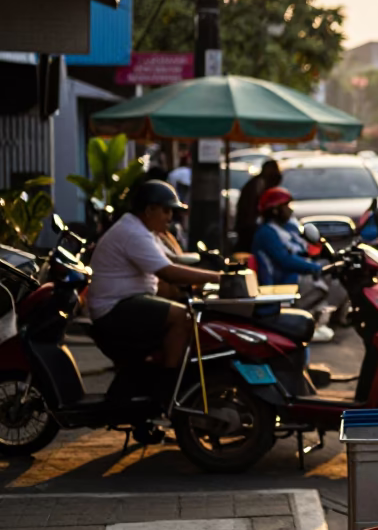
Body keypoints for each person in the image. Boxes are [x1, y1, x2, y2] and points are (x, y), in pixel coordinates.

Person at [87, 181, 222, 380]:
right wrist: (220, 278)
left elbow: (173, 259)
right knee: (182, 317)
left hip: (125, 303)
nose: (170, 218)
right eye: (166, 211)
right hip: (114, 309)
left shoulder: (145, 231)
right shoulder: (134, 233)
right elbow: (168, 272)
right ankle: (169, 383)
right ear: (149, 209)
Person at [251, 187, 339, 341]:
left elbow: (303, 249)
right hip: (282, 281)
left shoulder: (288, 227)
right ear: (275, 210)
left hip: (293, 276)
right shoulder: (266, 233)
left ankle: (319, 318)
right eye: (286, 206)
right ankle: (303, 318)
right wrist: (316, 268)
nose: (290, 211)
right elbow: (286, 261)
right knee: (326, 282)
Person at [235, 160, 281, 253]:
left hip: (249, 225)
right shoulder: (259, 184)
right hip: (250, 226)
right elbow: (253, 207)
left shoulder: (259, 182)